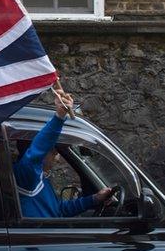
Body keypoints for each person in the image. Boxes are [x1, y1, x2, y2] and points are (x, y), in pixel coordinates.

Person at [13, 89, 116, 217]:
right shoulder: (26, 174)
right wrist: (59, 116)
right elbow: (38, 149)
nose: (57, 157)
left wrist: (95, 198)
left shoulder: (38, 177)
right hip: (43, 235)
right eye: (53, 151)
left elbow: (58, 210)